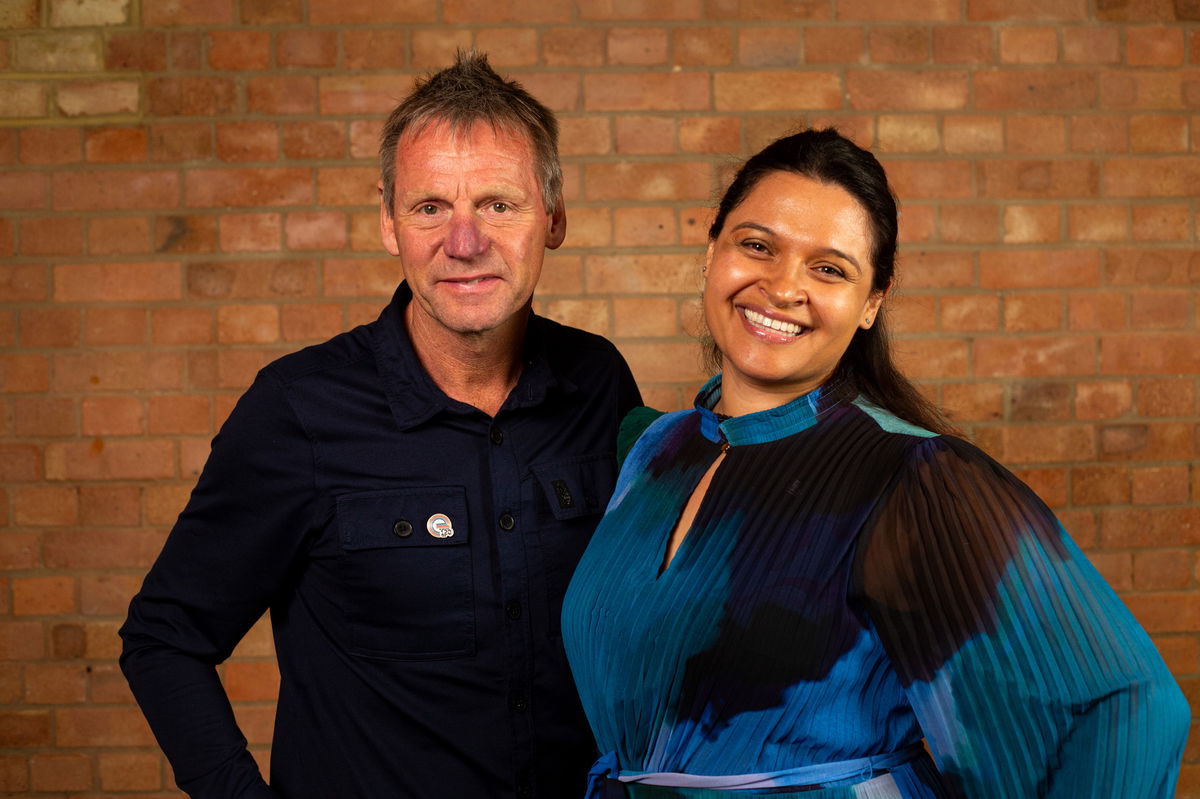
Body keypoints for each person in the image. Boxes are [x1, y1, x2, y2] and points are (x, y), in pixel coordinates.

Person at [562, 128, 1189, 798]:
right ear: (713, 249)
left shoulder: (916, 477)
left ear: (871, 303)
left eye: (829, 269)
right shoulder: (655, 449)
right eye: (757, 246)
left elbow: (1128, 707)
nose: (783, 287)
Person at [121, 51, 641, 799]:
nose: (464, 241)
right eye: (430, 207)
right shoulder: (297, 411)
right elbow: (164, 638)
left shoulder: (599, 383)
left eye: (498, 205)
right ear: (388, 221)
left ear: (553, 217)